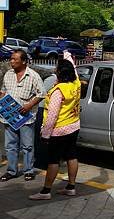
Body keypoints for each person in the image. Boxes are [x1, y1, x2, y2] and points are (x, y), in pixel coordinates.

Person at [29, 52, 81, 200]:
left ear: (59, 73)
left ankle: (46, 191)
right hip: (73, 126)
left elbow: (52, 116)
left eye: (56, 69)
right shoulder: (75, 84)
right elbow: (75, 70)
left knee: (53, 160)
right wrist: (67, 55)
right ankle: (71, 187)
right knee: (72, 156)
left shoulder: (58, 91)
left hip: (59, 130)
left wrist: (45, 135)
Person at [0, 49, 45, 182]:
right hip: (9, 116)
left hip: (26, 117)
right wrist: (2, 99)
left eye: (15, 59)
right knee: (10, 145)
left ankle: (28, 171)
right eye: (11, 59)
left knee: (27, 145)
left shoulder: (33, 76)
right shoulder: (8, 74)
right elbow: (3, 90)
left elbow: (41, 94)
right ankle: (11, 171)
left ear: (24, 61)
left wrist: (29, 105)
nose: (11, 62)